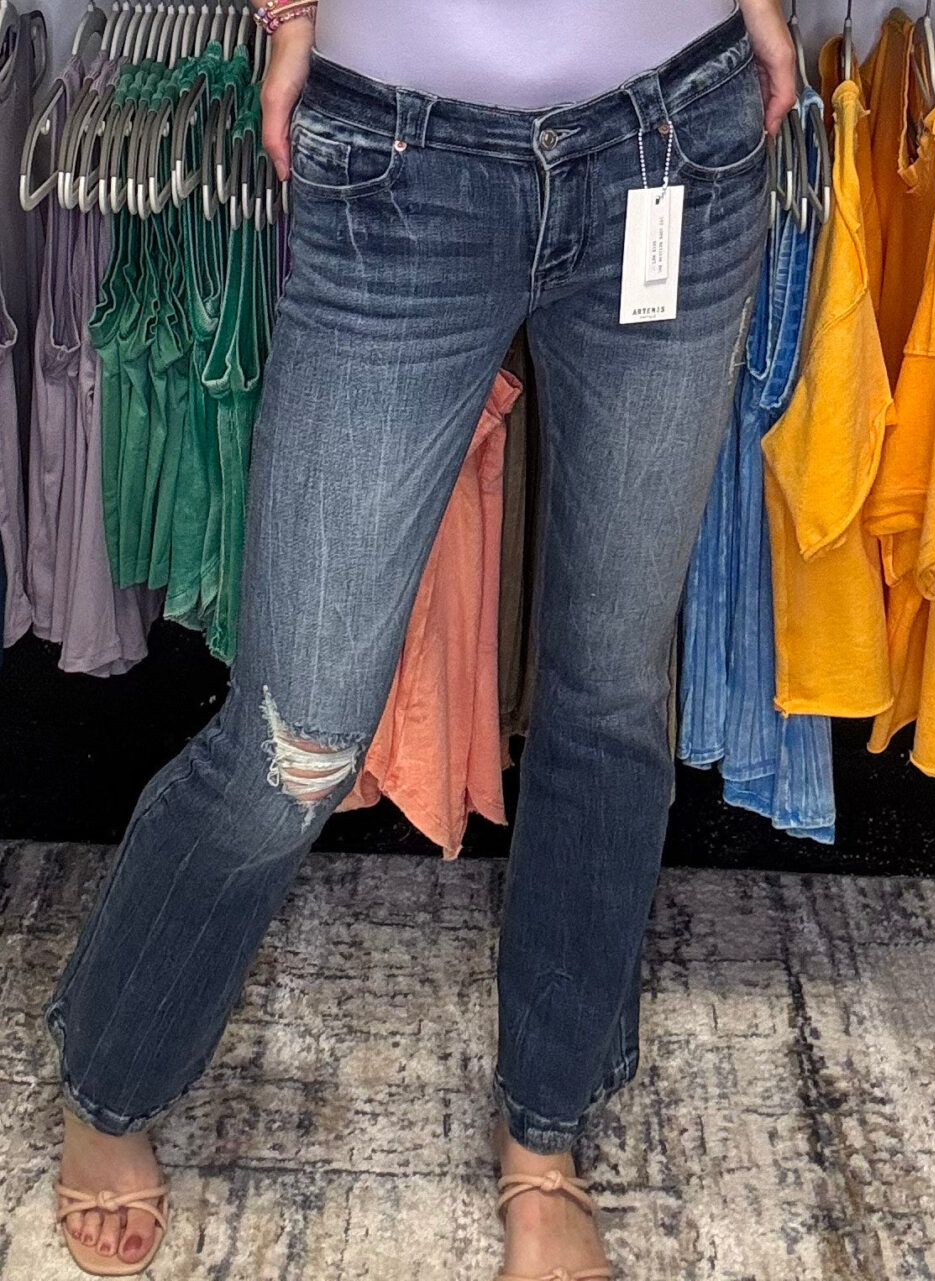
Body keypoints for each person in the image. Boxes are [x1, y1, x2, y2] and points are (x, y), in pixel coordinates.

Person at [45, 1, 796, 1275]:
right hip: (399, 156)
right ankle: (110, 1075)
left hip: (676, 130)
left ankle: (546, 1131)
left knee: (607, 693)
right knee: (295, 737)